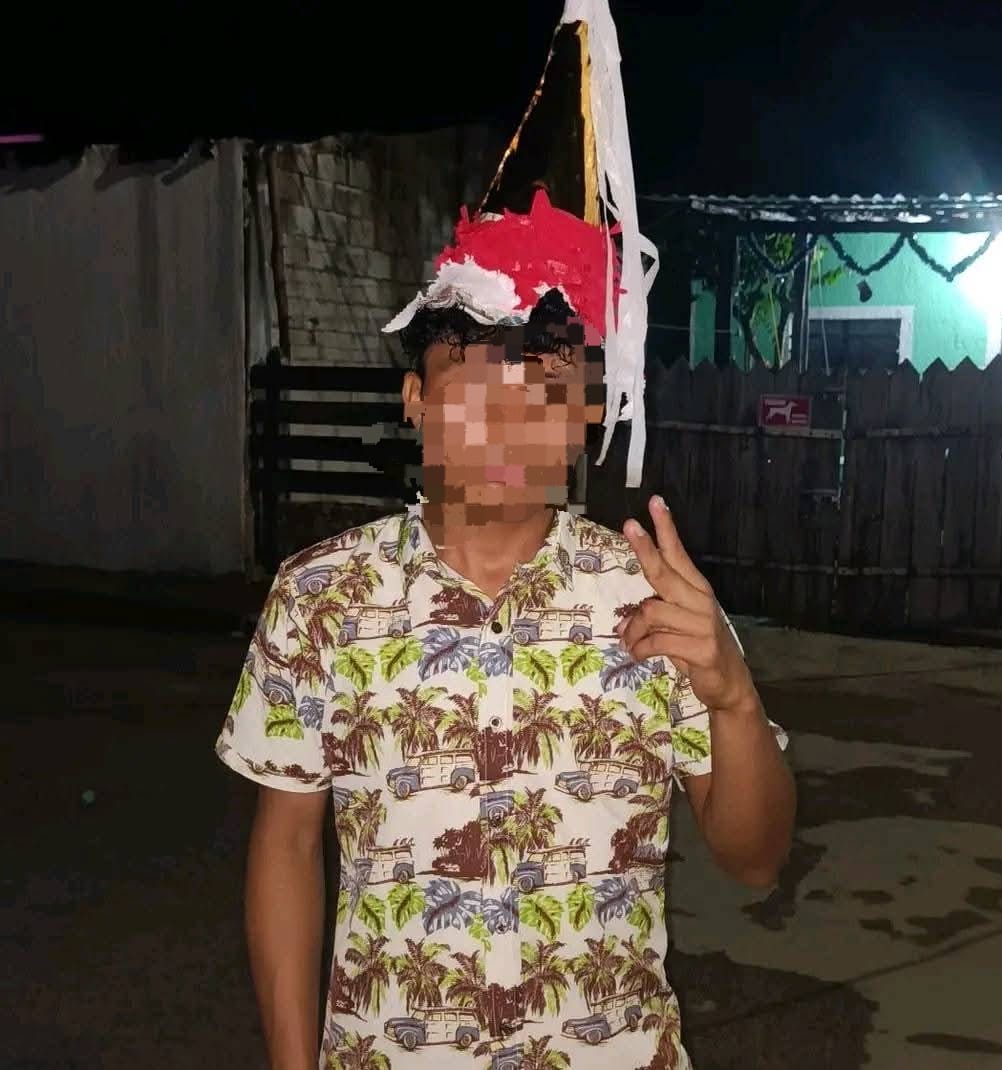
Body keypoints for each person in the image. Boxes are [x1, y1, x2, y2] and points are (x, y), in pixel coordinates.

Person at [214, 187, 795, 1069]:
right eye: (475, 387)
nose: (508, 424)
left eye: (547, 393)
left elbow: (756, 860)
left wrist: (736, 702)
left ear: (588, 415)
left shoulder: (652, 597)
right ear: (416, 397)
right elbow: (287, 845)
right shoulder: (319, 596)